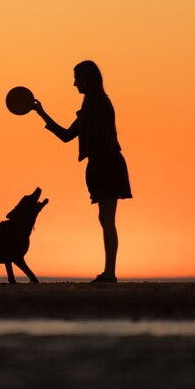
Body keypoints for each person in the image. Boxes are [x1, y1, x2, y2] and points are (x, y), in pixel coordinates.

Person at [33, 60, 132, 283]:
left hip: (107, 165)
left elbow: (101, 140)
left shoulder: (99, 104)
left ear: (88, 79)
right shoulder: (91, 104)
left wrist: (97, 166)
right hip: (102, 166)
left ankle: (109, 273)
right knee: (106, 219)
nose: (74, 83)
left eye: (77, 78)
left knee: (107, 220)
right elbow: (67, 136)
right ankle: (109, 272)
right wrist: (40, 112)